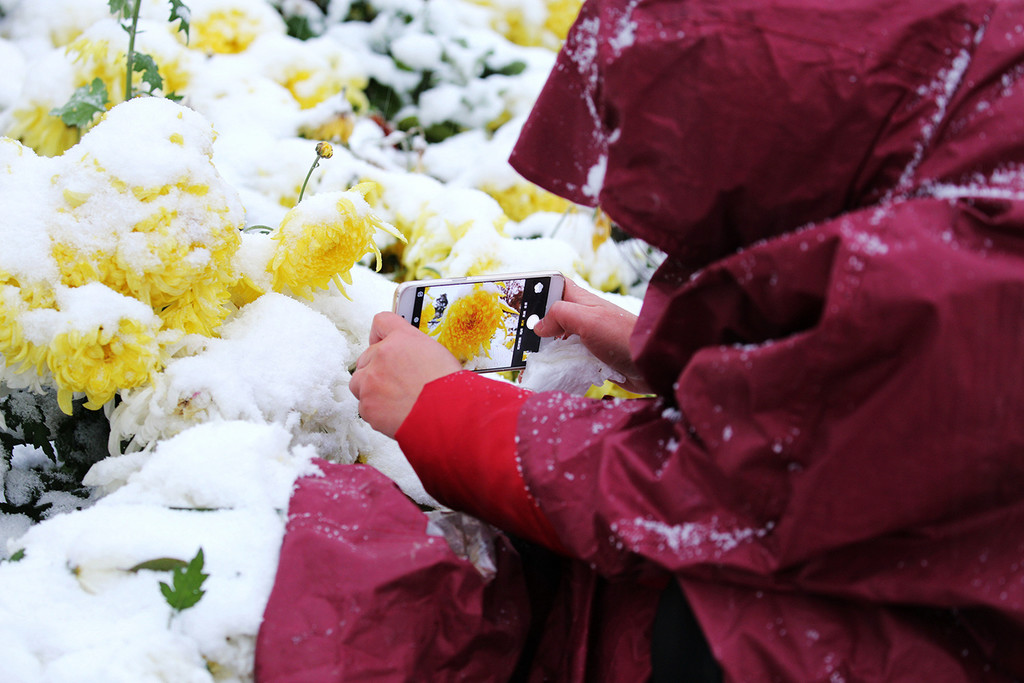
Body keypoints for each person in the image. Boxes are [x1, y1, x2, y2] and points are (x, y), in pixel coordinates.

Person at [260, 0, 1024, 680]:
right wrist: (665, 352)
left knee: (705, 625)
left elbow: (716, 493)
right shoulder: (971, 119)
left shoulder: (967, 270)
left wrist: (445, 409)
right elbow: (848, 413)